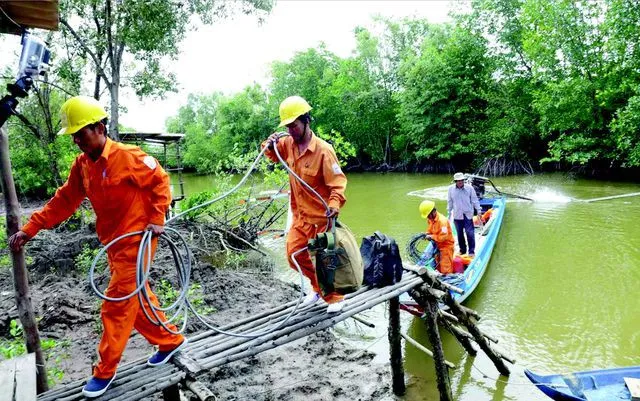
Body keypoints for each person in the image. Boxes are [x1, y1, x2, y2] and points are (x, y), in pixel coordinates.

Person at [7, 96, 186, 398]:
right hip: (113, 244)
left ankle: (105, 371)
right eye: (73, 135)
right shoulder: (82, 167)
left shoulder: (130, 156)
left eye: (80, 133)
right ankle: (169, 340)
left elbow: (160, 180)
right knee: (138, 299)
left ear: (99, 127)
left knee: (117, 304)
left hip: (137, 241)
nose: (76, 139)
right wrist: (30, 228)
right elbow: (63, 201)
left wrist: (157, 218)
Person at [263, 96, 348, 313]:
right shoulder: (288, 144)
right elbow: (271, 155)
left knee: (325, 260)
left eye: (294, 125)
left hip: (321, 218)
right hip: (300, 216)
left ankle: (335, 298)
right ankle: (318, 289)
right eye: (287, 127)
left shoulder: (323, 151)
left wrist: (334, 204)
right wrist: (269, 144)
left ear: (306, 120)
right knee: (295, 256)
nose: (291, 130)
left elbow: (337, 183)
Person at [447, 172, 482, 256]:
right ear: (455, 181)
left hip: (467, 214)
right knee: (459, 234)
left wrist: (479, 210)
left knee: (470, 233)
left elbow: (474, 200)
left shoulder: (469, 188)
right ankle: (462, 250)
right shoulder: (450, 189)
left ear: (464, 180)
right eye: (458, 181)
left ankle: (471, 251)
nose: (460, 182)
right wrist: (449, 212)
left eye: (462, 180)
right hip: (457, 215)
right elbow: (450, 201)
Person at [419, 200, 455, 274]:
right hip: (437, 246)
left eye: (428, 215)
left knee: (445, 269)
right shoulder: (430, 219)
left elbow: (443, 238)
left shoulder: (442, 221)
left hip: (446, 247)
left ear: (433, 211)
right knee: (438, 267)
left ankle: (448, 281)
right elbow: (430, 229)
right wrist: (426, 234)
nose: (428, 217)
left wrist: (431, 237)